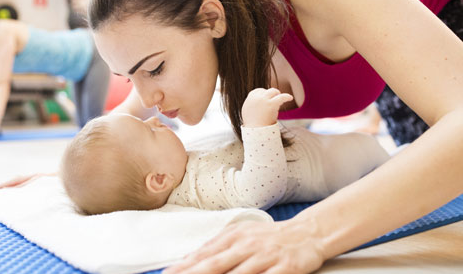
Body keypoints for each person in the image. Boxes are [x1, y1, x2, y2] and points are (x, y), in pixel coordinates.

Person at [87, 0, 463, 274]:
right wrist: (88, 166)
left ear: (212, 18)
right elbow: (124, 125)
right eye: (130, 77)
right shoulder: (213, 44)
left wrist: (309, 233)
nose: (148, 98)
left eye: (154, 69)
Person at [62, 88, 389, 215]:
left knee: (367, 147)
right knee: (373, 154)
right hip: (326, 167)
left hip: (307, 145)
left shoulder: (175, 165)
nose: (158, 124)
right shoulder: (197, 188)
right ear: (159, 180)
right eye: (150, 131)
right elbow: (259, 191)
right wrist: (258, 126)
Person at [0, 0, 110, 142]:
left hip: (90, 51)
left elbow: (0, 83)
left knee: (92, 129)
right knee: (83, 127)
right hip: (74, 70)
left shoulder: (2, 30)